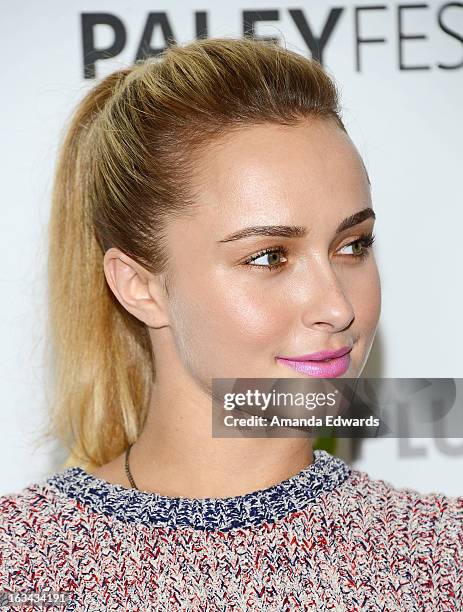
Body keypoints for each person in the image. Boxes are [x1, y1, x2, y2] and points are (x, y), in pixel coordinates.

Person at [0, 36, 461, 611]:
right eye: (268, 256)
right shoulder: (21, 568)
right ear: (140, 286)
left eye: (352, 245)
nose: (338, 306)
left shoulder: (440, 558)